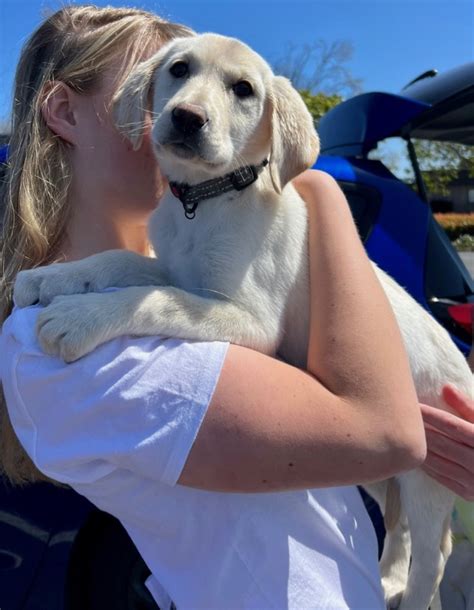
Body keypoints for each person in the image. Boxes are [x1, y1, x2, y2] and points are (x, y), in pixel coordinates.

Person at [0, 5, 472, 609]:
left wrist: (311, 182)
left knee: (423, 534)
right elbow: (384, 432)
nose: (190, 104)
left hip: (427, 389)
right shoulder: (53, 355)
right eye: (171, 73)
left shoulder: (189, 235)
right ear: (66, 112)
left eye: (238, 89)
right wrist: (323, 191)